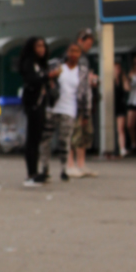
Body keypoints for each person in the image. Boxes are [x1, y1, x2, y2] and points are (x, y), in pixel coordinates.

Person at [19, 36, 58, 187]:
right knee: (32, 139)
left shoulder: (41, 64)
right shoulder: (29, 63)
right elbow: (32, 79)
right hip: (33, 105)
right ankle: (31, 173)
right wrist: (48, 76)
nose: (41, 49)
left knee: (38, 138)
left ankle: (37, 172)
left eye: (43, 46)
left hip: (41, 104)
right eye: (38, 46)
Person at [69, 27, 98, 177]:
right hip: (75, 101)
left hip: (85, 100)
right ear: (80, 41)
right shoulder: (73, 58)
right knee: (73, 133)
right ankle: (70, 165)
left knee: (84, 134)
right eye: (88, 43)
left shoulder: (86, 58)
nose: (89, 46)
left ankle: (81, 164)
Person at [52, 43, 82, 181]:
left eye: (76, 51)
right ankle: (45, 168)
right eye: (71, 51)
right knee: (46, 141)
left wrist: (85, 112)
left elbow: (84, 93)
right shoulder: (59, 68)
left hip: (70, 109)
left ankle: (64, 169)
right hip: (53, 108)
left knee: (65, 141)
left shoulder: (81, 71)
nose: (73, 54)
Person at [114, 61, 129, 156]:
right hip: (110, 106)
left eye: (118, 68)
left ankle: (122, 148)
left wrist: (124, 77)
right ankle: (111, 148)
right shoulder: (108, 80)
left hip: (120, 105)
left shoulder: (122, 79)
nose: (117, 70)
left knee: (121, 128)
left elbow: (127, 89)